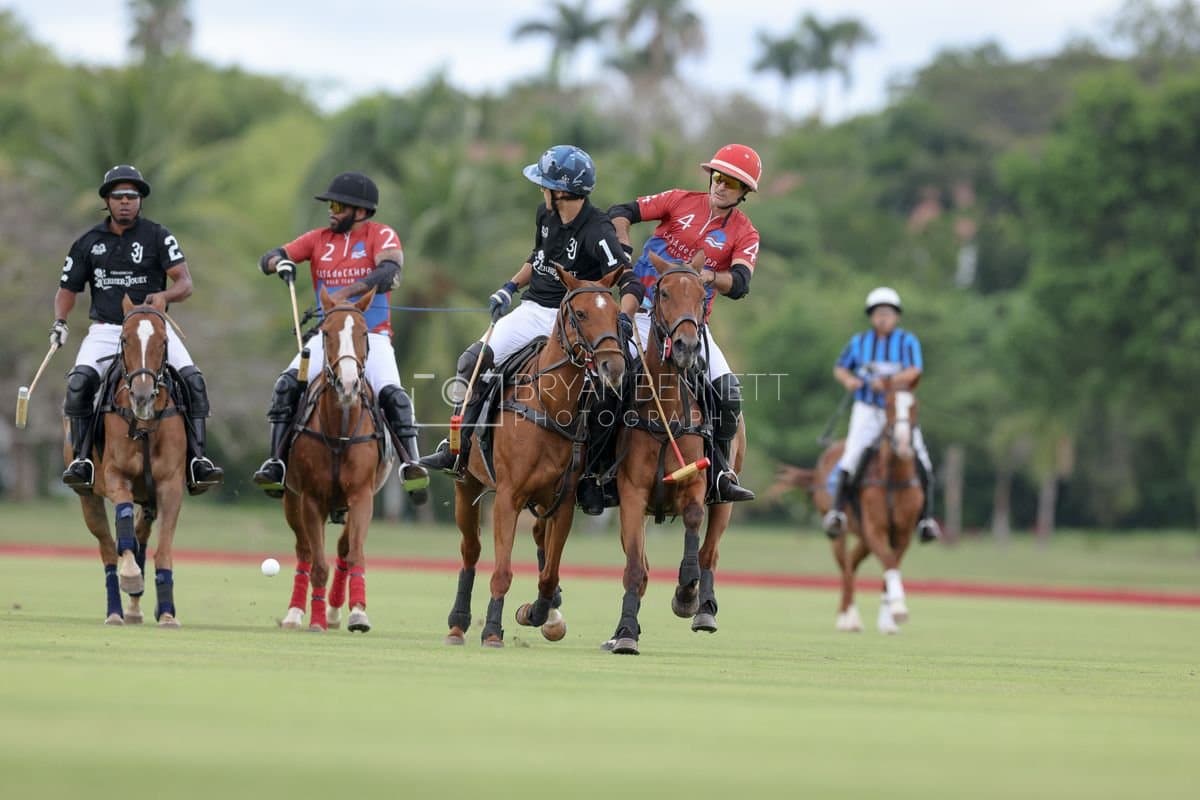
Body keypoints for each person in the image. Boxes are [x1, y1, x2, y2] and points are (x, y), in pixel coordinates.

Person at [420, 144, 643, 512]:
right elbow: (537, 259)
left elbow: (629, 281)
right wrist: (509, 287)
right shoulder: (545, 214)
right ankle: (458, 450)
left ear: (562, 191)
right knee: (470, 363)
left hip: (576, 320)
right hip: (533, 311)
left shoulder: (598, 230)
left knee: (616, 388)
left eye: (545, 184)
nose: (541, 190)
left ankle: (594, 476)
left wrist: (622, 318)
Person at [252, 171, 429, 505]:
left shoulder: (381, 235)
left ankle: (411, 465)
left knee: (394, 395)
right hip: (326, 338)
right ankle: (275, 462)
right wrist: (280, 264)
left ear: (360, 211)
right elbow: (269, 257)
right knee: (286, 386)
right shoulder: (318, 239)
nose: (330, 211)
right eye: (330, 204)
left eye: (337, 205)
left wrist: (349, 292)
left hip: (371, 336)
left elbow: (390, 272)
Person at [55, 164, 224, 495]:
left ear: (140, 201)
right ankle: (82, 461)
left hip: (152, 329)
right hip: (107, 330)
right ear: (107, 200)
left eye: (132, 196)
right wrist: (59, 323)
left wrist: (164, 294)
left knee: (193, 380)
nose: (125, 202)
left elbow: (185, 283)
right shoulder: (88, 242)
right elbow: (67, 290)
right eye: (118, 196)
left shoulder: (158, 236)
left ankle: (197, 461)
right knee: (79, 383)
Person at [607, 144, 762, 504]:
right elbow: (621, 211)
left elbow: (740, 283)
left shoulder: (744, 233)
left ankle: (722, 473)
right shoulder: (678, 201)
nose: (721, 186)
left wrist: (710, 277)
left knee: (728, 393)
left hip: (690, 329)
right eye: (719, 177)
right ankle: (592, 468)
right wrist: (623, 246)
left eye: (732, 184)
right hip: (640, 317)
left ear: (743, 194)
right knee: (605, 384)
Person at [822, 287, 941, 542]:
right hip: (867, 408)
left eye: (888, 313)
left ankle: (927, 519)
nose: (883, 318)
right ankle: (837, 512)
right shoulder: (859, 342)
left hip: (898, 411)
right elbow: (840, 368)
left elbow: (914, 372)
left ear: (896, 316)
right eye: (878, 313)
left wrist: (887, 381)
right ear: (871, 316)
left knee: (921, 456)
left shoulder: (908, 342)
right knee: (852, 454)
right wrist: (849, 381)